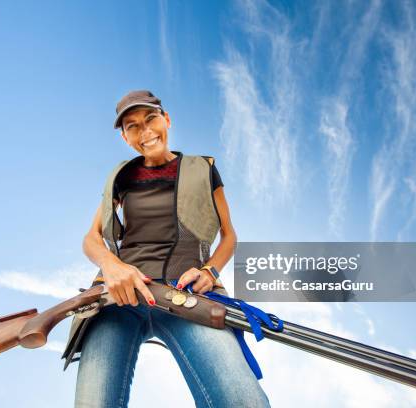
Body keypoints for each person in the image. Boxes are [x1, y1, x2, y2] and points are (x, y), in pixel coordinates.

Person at [66, 90, 271, 407]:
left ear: (167, 119)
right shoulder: (122, 177)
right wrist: (112, 266)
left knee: (242, 401)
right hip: (118, 297)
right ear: (125, 137)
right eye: (132, 126)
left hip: (188, 297)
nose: (145, 131)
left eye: (150, 119)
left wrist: (209, 269)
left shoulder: (202, 169)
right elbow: (91, 238)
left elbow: (229, 236)